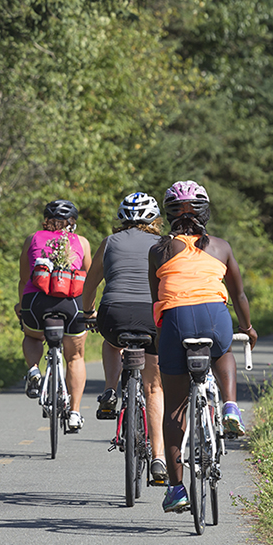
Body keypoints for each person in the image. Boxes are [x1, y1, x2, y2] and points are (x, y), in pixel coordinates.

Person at [147, 180, 257, 513]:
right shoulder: (221, 246)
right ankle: (230, 407)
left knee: (175, 410)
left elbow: (157, 298)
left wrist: (162, 335)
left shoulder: (158, 251)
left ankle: (177, 489)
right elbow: (238, 295)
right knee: (223, 350)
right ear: (205, 213)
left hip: (176, 322)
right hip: (215, 317)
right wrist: (248, 328)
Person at [80, 192, 168, 483]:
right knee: (154, 388)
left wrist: (88, 312)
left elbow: (90, 285)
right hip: (152, 316)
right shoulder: (163, 245)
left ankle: (109, 391)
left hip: (113, 313)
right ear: (155, 219)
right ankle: (158, 458)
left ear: (121, 218)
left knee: (112, 341)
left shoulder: (109, 243)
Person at [15, 199, 93, 430]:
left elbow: (24, 277)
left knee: (32, 335)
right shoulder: (82, 242)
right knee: (75, 357)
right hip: (72, 304)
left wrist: (21, 305)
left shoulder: (32, 239)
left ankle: (33, 369)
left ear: (46, 220)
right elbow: (88, 279)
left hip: (36, 302)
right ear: (72, 223)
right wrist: (91, 309)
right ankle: (75, 413)